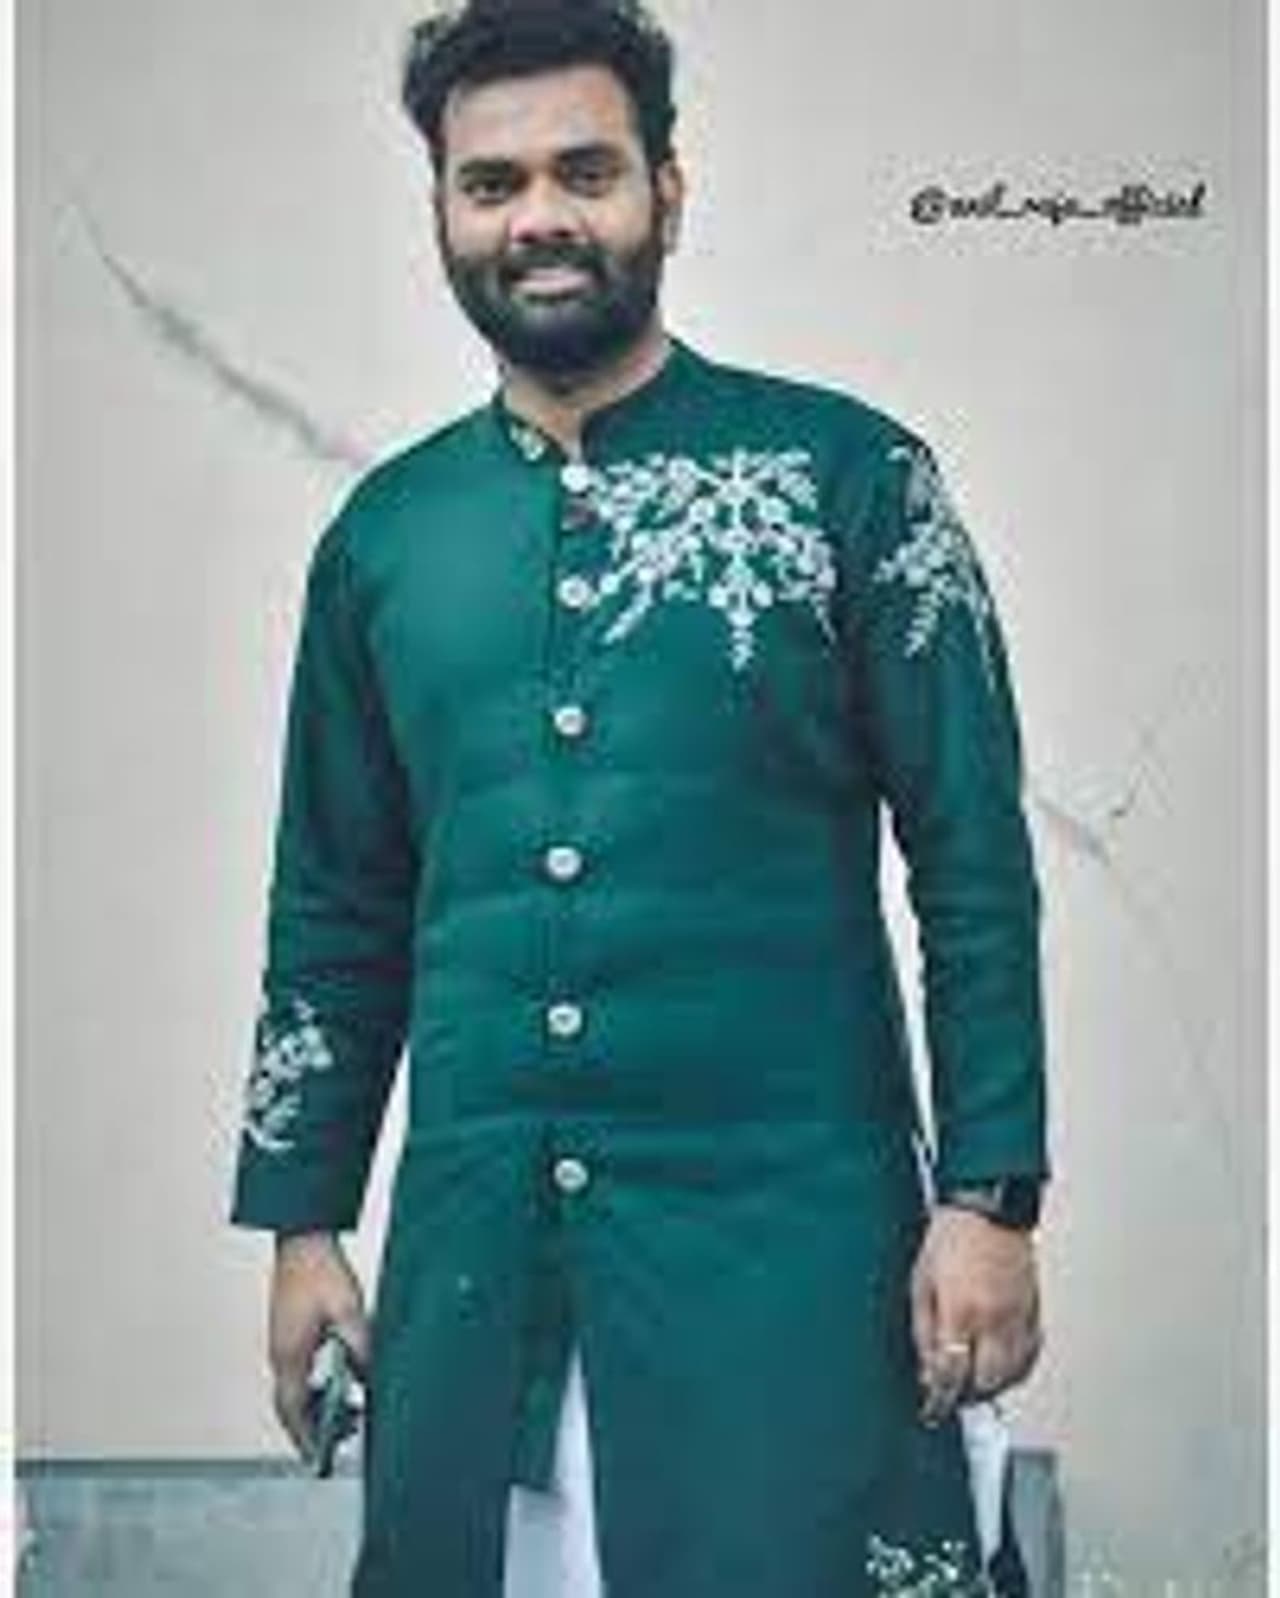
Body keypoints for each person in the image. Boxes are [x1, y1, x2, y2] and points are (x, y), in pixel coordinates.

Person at [229, 2, 1051, 1593]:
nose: (537, 216)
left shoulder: (848, 480)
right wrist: (304, 1222)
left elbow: (973, 861)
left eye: (584, 170)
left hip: (795, 1259)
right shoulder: (383, 540)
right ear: (443, 211)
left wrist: (990, 1196)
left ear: (667, 190)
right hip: (481, 1257)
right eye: (492, 183)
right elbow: (334, 902)